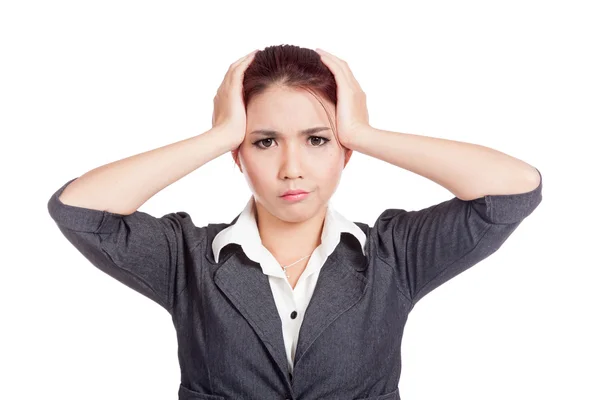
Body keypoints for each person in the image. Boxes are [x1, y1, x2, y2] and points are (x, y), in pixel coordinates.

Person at [47, 44, 543, 399]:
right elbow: (79, 210)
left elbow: (513, 190)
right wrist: (220, 134)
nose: (292, 168)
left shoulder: (392, 256)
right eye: (264, 141)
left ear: (344, 153)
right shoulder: (187, 259)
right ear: (238, 155)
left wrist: (360, 132)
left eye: (317, 140)